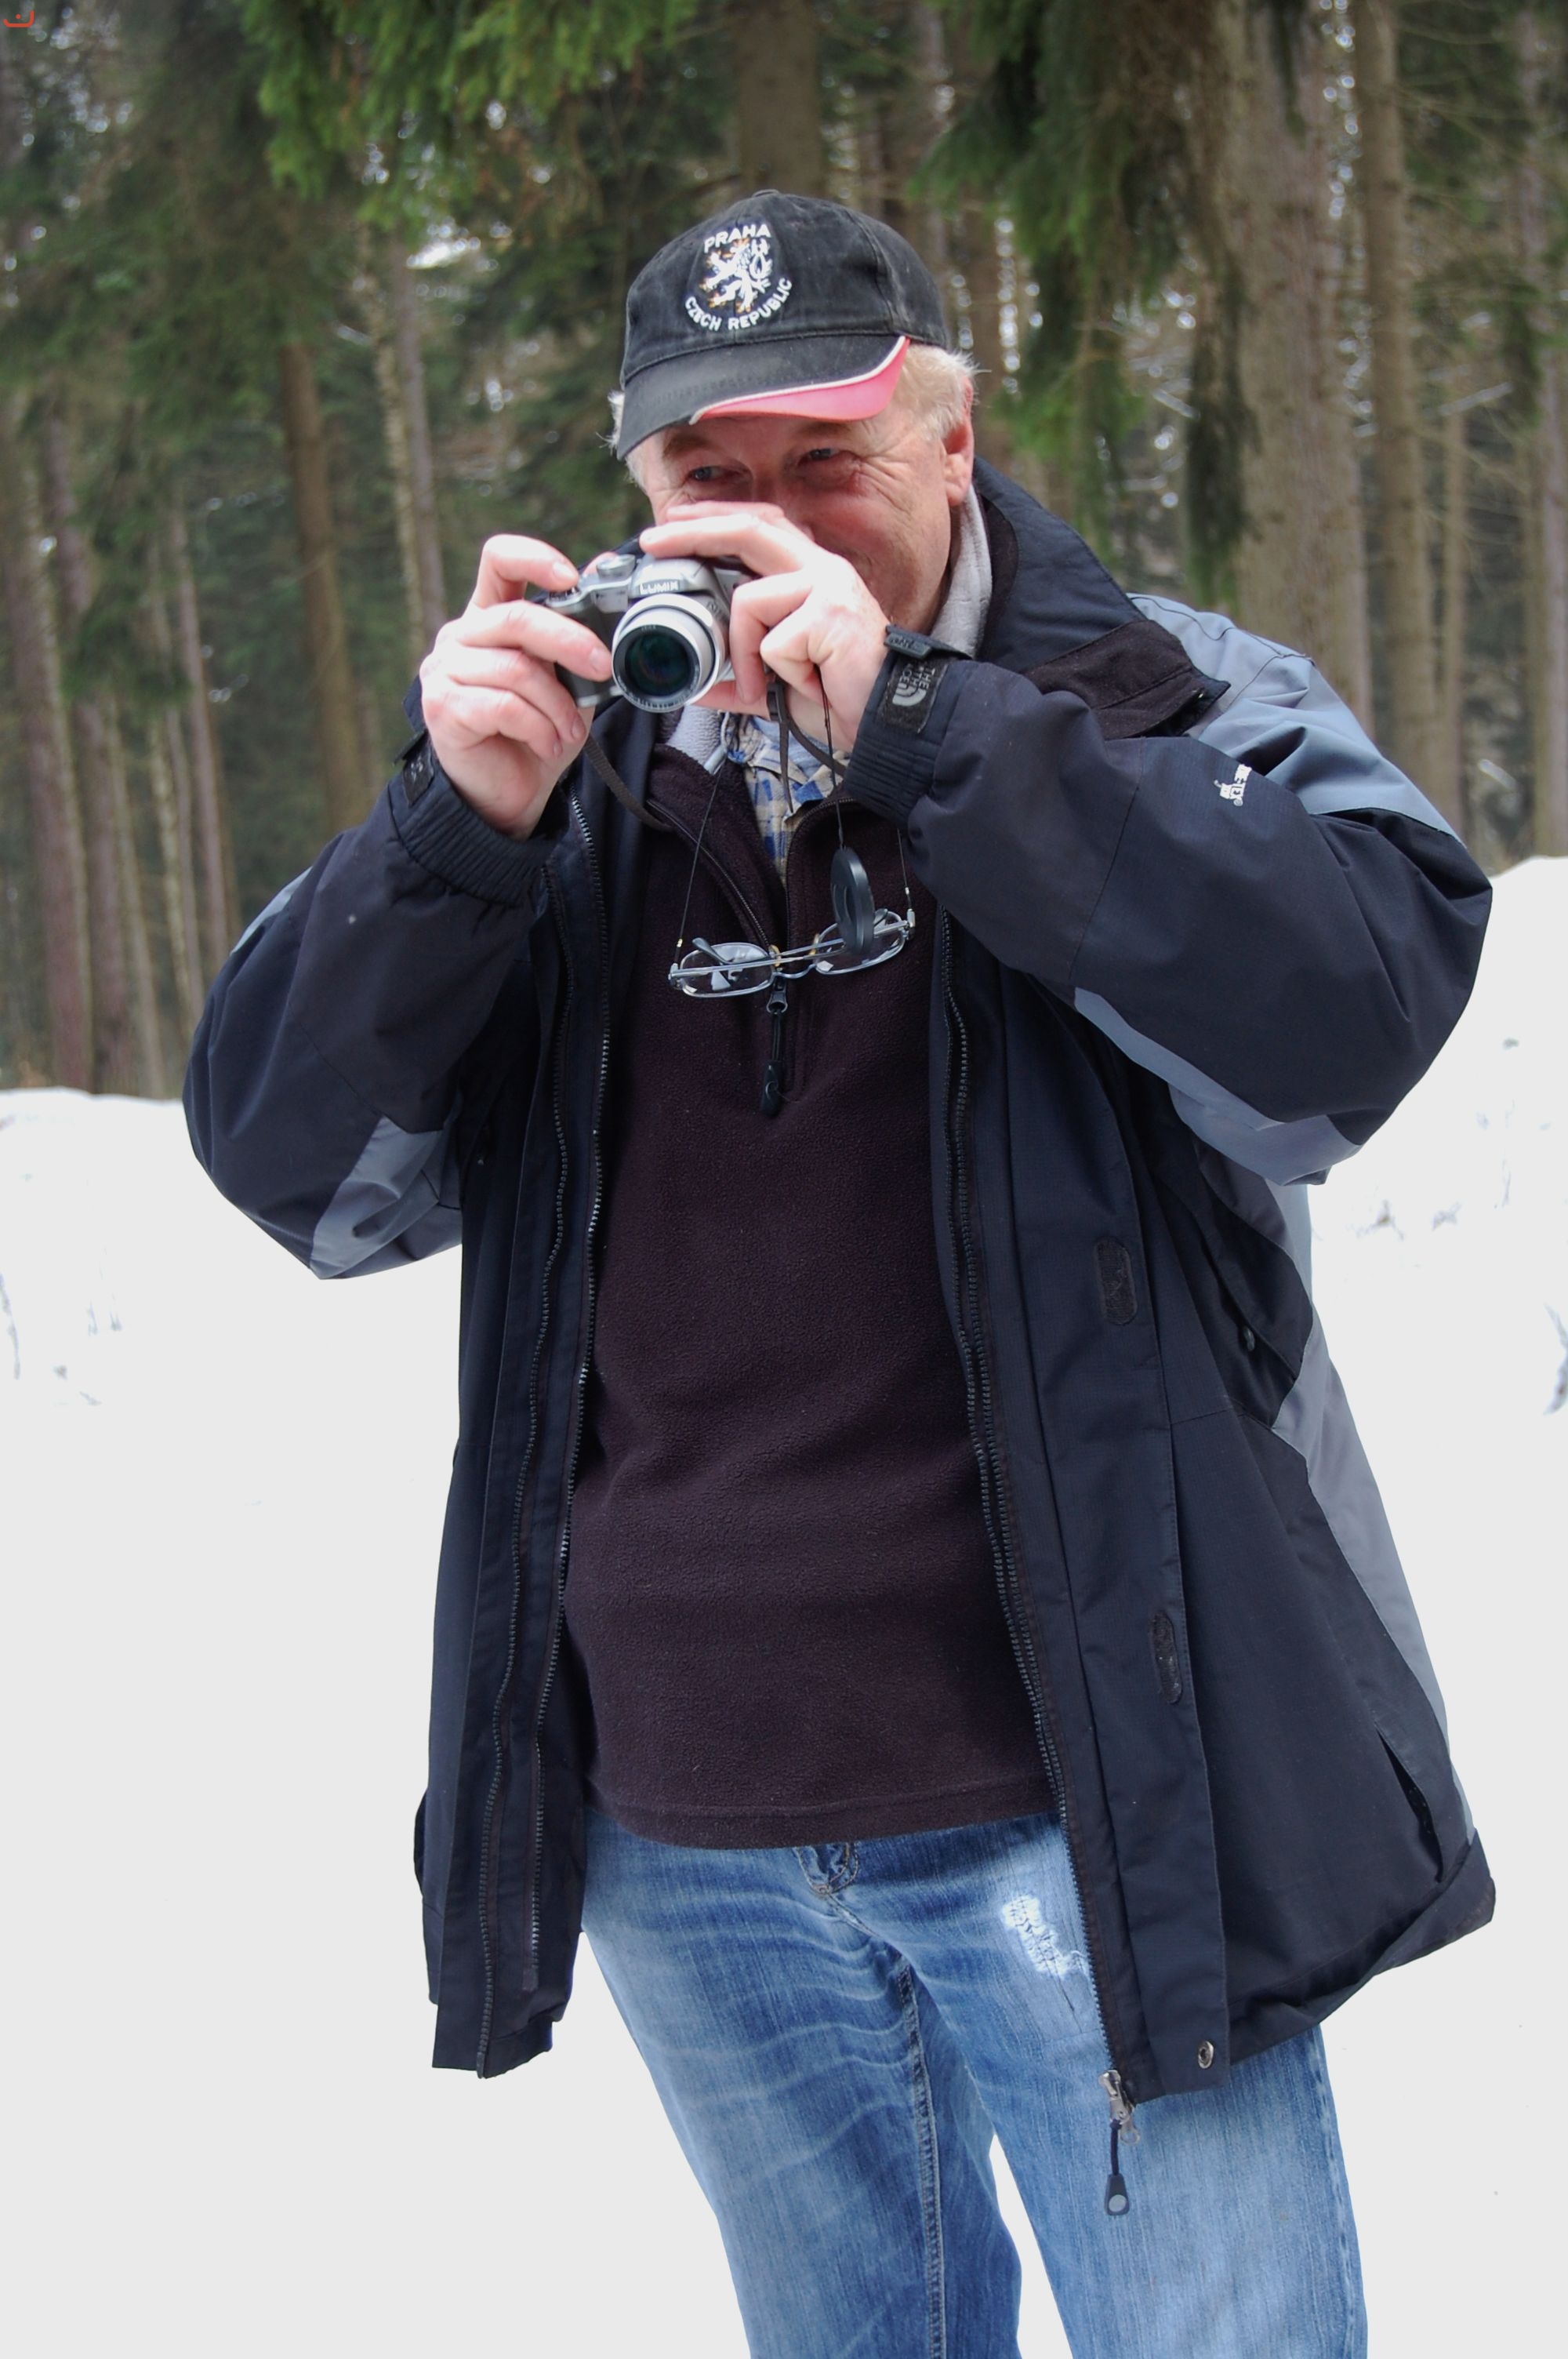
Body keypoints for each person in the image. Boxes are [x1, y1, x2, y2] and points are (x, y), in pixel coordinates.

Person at [184, 191, 1495, 2357]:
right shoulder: (569, 760)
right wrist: (447, 839)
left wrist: (931, 734)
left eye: (829, 462)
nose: (769, 523)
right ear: (641, 489)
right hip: (690, 1832)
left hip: (1094, 1807)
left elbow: (1353, 1015)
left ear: (953, 446)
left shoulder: (1151, 691)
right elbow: (293, 1172)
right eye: (714, 473)